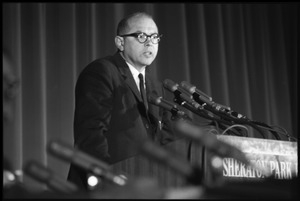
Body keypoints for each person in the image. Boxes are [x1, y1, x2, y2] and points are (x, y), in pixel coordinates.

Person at [67, 12, 179, 190]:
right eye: (141, 36)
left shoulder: (154, 85)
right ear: (120, 42)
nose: (150, 42)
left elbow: (164, 140)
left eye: (154, 37)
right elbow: (91, 135)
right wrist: (108, 179)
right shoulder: (102, 72)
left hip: (146, 186)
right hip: (106, 187)